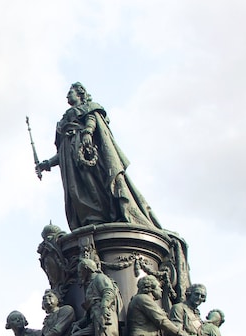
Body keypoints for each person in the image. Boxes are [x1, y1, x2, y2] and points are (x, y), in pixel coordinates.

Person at [35, 82, 162, 231]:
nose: (67, 95)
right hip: (70, 164)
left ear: (80, 94)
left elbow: (92, 118)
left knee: (93, 183)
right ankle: (90, 219)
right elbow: (61, 153)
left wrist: (88, 132)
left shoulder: (89, 108)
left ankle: (102, 216)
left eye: (71, 92)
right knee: (75, 190)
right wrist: (47, 164)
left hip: (87, 153)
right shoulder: (64, 123)